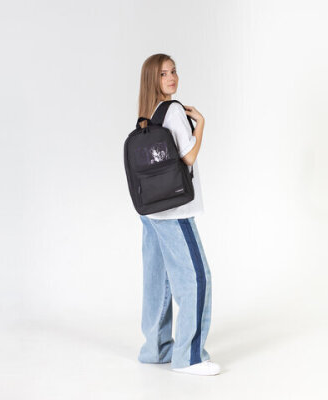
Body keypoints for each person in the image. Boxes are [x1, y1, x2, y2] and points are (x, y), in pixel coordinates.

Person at [136, 53, 221, 376]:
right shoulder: (172, 110)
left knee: (158, 281)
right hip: (174, 210)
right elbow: (188, 157)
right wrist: (201, 125)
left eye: (173, 71)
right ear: (153, 79)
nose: (171, 78)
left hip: (150, 210)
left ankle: (156, 350)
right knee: (196, 278)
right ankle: (189, 357)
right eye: (163, 74)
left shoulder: (147, 115)